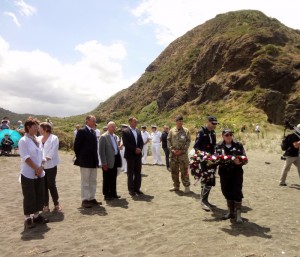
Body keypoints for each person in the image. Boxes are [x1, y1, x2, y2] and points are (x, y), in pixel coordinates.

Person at [18, 117, 49, 229]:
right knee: (29, 195)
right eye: (35, 127)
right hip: (28, 173)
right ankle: (27, 219)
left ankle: (36, 216)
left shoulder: (37, 140)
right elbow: (26, 157)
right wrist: (36, 168)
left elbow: (42, 155)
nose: (37, 129)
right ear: (28, 127)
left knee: (38, 194)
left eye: (37, 127)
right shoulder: (23, 141)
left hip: (39, 172)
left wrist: (41, 167)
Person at [215, 129, 248, 223]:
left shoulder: (238, 145)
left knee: (237, 192)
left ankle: (238, 216)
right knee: (226, 191)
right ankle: (230, 212)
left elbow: (245, 158)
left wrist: (240, 161)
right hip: (224, 173)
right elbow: (216, 158)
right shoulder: (219, 146)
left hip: (236, 173)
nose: (229, 136)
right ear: (223, 136)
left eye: (230, 134)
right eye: (227, 135)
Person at [73, 115, 101, 208]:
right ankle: (85, 199)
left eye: (95, 121)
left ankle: (91, 198)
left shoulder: (93, 132)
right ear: (87, 121)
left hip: (93, 161)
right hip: (85, 161)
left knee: (93, 180)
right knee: (85, 181)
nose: (94, 123)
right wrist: (80, 156)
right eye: (93, 121)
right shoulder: (82, 131)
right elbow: (76, 146)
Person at [193, 115, 218, 211]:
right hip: (204, 160)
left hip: (212, 160)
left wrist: (215, 155)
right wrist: (204, 156)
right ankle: (203, 201)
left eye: (215, 124)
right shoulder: (201, 132)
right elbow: (196, 147)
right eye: (213, 123)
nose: (214, 125)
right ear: (207, 121)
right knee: (206, 178)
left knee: (210, 180)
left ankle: (206, 200)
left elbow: (214, 146)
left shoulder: (213, 132)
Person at [38, 122, 62, 212]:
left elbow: (53, 150)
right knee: (43, 185)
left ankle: (56, 203)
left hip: (51, 165)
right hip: (41, 166)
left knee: (51, 184)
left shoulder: (54, 138)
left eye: (40, 128)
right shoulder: (38, 138)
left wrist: (45, 159)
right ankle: (45, 205)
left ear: (45, 129)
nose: (39, 130)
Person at [99, 121, 122, 201]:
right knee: (106, 178)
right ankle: (106, 194)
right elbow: (101, 151)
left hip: (115, 159)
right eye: (112, 126)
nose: (114, 128)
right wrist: (104, 163)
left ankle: (113, 193)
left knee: (113, 177)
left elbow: (115, 148)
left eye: (114, 126)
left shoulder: (115, 136)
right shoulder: (103, 137)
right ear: (108, 127)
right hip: (107, 161)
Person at [167, 115, 191, 193]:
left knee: (184, 171)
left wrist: (182, 150)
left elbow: (188, 141)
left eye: (181, 121)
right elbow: (168, 140)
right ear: (176, 122)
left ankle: (187, 186)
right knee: (174, 171)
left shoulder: (186, 131)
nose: (180, 122)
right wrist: (172, 149)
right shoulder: (171, 131)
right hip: (173, 155)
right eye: (179, 121)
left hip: (183, 155)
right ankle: (176, 186)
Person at [122, 117, 144, 196]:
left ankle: (137, 188)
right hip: (130, 155)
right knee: (130, 173)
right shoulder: (125, 131)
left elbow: (141, 141)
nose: (136, 123)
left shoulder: (138, 131)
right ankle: (131, 189)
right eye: (135, 121)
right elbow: (126, 143)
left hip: (138, 154)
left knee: (138, 172)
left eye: (136, 121)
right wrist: (135, 149)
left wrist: (140, 149)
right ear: (130, 122)